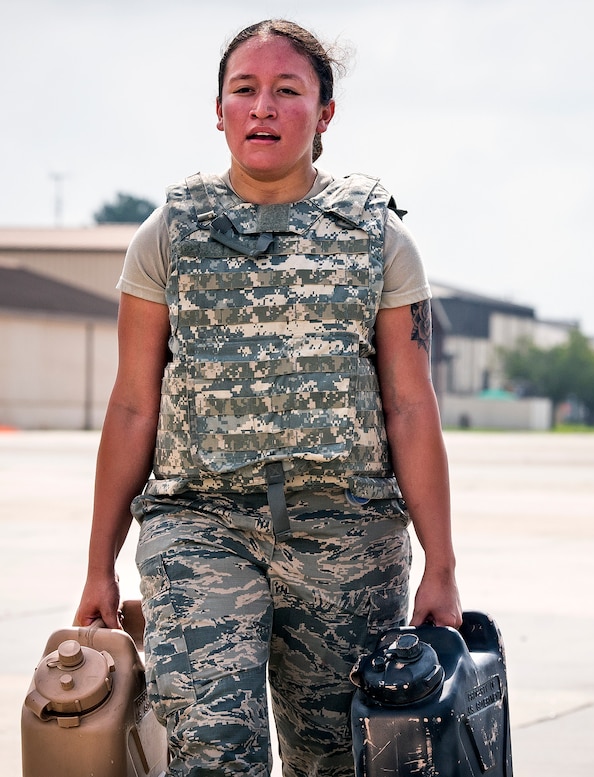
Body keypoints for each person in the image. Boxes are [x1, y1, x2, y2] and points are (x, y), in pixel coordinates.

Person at [76, 18, 461, 777]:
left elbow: (412, 407)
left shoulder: (378, 238)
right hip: (200, 523)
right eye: (244, 89)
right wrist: (99, 564)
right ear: (218, 109)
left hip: (346, 534)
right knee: (214, 750)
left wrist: (441, 565)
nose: (262, 107)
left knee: (336, 758)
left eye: (288, 90)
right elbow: (132, 406)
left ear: (324, 114)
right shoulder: (167, 234)